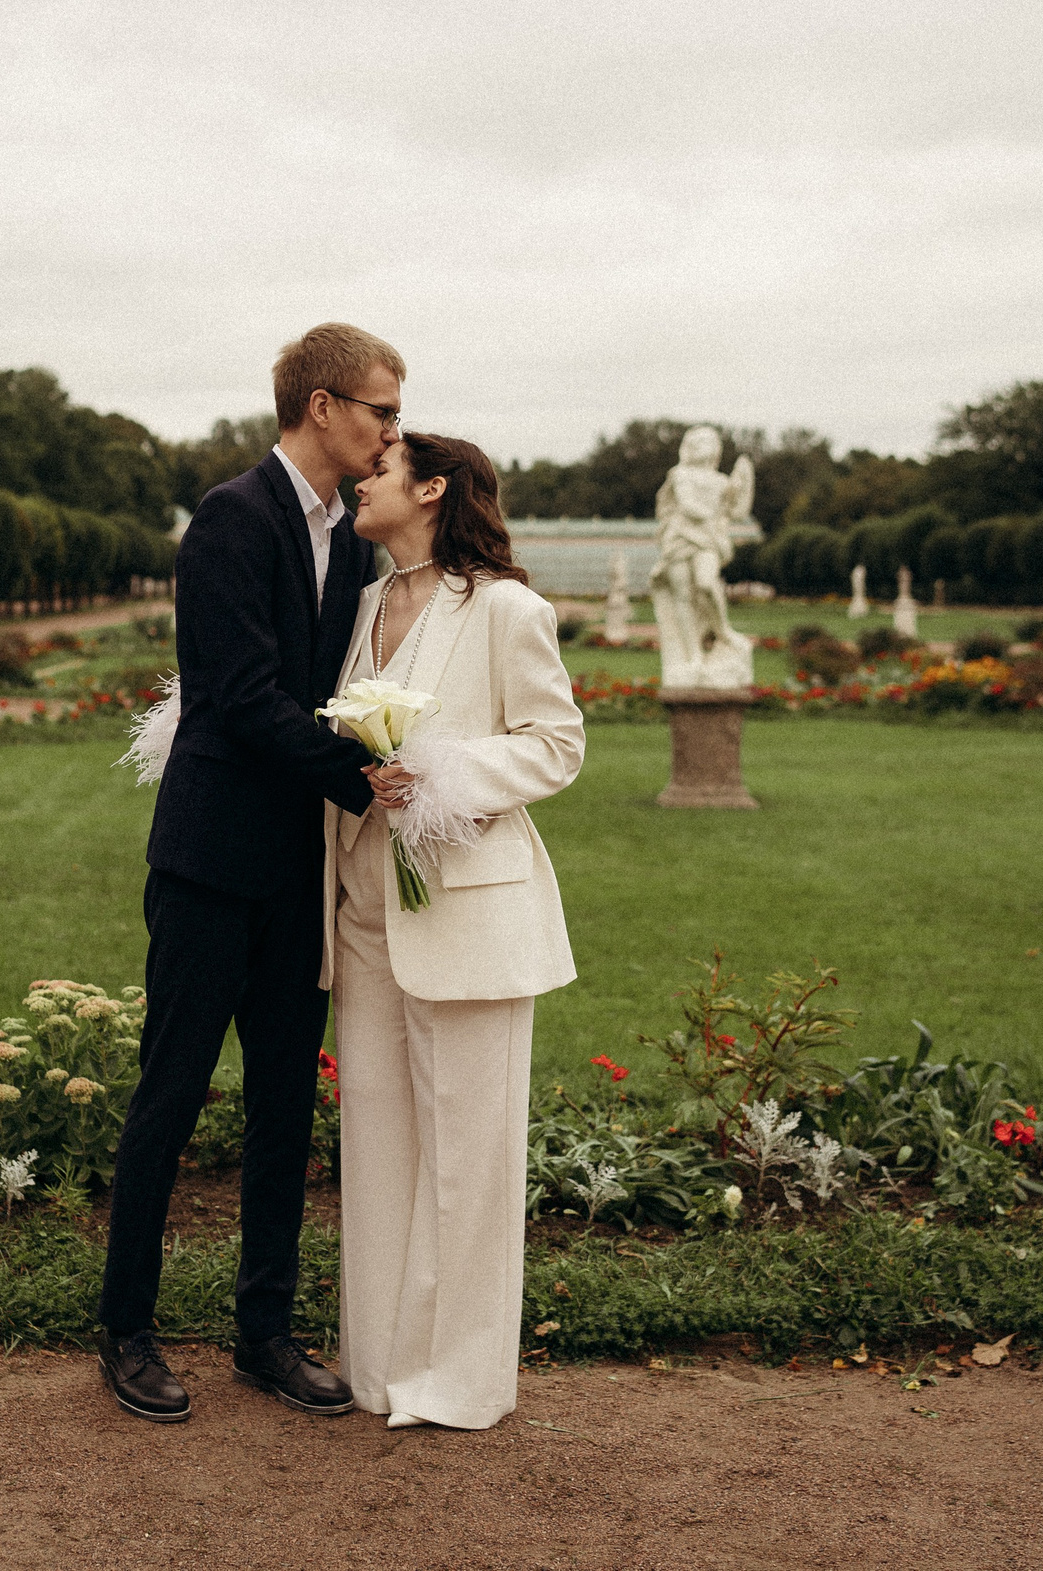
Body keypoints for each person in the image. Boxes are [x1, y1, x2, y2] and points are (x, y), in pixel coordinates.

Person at [97, 323, 405, 1423]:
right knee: (170, 1097)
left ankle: (262, 1336)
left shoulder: (355, 544)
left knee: (284, 1107)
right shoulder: (230, 517)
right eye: (381, 408)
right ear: (321, 407)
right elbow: (237, 694)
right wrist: (364, 776)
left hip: (296, 872)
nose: (390, 429)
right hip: (210, 862)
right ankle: (126, 1331)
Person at [323, 432, 584, 1430]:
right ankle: (379, 1368)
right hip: (359, 908)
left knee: (471, 1157)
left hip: (469, 908)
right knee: (377, 1141)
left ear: (431, 488)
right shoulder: (360, 607)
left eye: (380, 470)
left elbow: (556, 746)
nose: (361, 480)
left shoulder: (506, 607)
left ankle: (462, 1381)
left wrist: (440, 779)